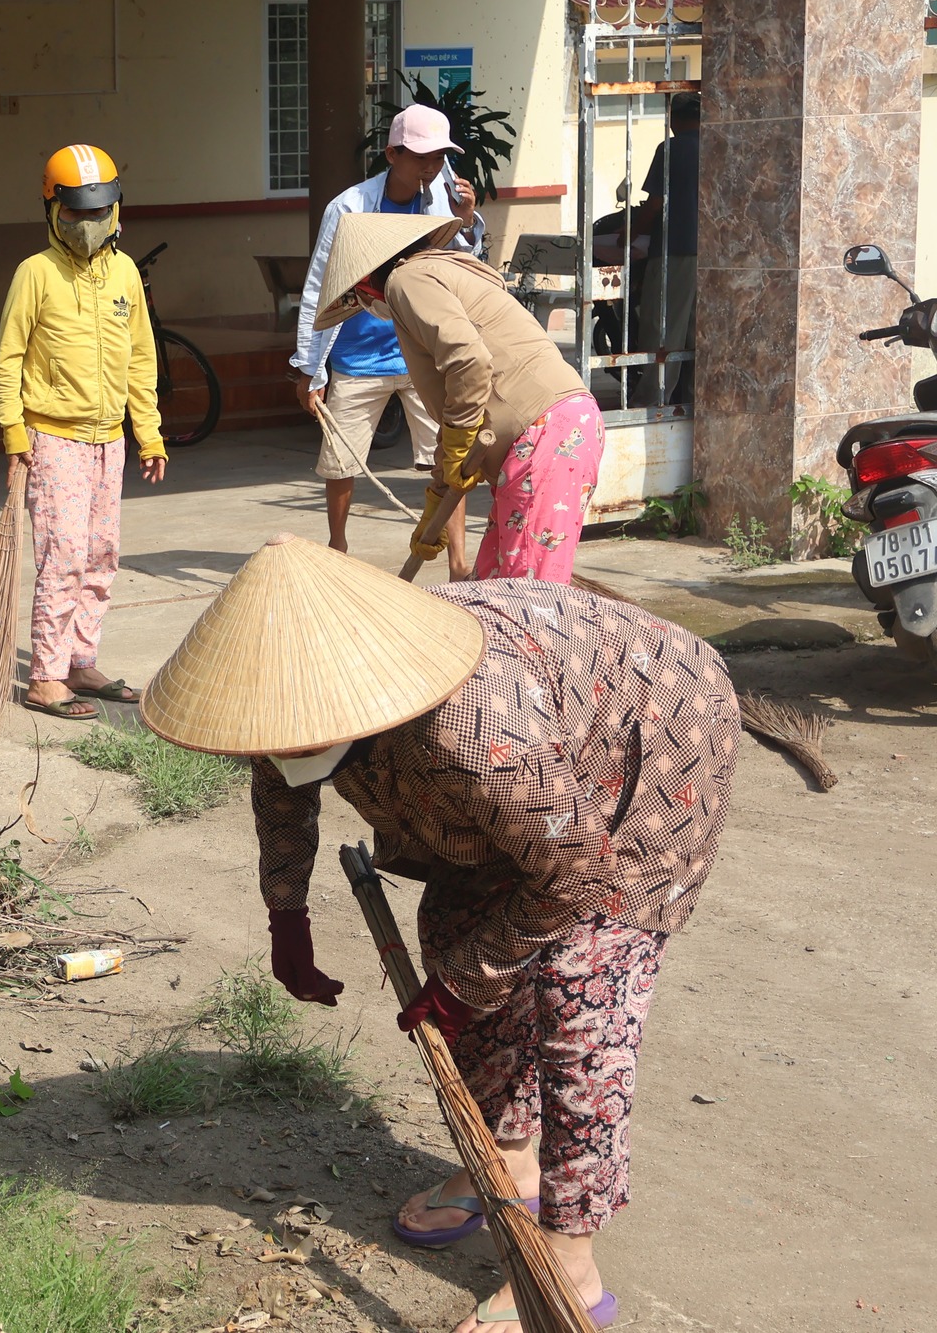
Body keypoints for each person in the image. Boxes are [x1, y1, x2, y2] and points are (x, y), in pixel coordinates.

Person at [139, 532, 738, 1333]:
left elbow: (569, 875)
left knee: (580, 992)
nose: (279, 747)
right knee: (452, 923)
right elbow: (282, 793)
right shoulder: (284, 689)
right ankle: (508, 1161)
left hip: (650, 742)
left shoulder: (474, 729)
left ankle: (571, 1260)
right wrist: (289, 912)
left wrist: (465, 983)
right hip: (531, 779)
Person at [314, 212, 605, 583]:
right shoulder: (439, 273)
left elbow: (469, 362)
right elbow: (458, 400)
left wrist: (455, 445)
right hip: (551, 430)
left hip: (546, 432)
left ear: (366, 282)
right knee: (492, 584)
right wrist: (436, 499)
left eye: (357, 297)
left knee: (528, 599)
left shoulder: (406, 281)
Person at [0, 143, 167, 722]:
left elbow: (141, 359)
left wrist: (150, 433)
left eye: (99, 213)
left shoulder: (125, 273)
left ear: (116, 209)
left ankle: (80, 660)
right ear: (51, 210)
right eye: (76, 214)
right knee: (62, 557)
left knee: (101, 554)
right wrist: (15, 434)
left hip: (109, 440)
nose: (89, 224)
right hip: (54, 438)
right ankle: (45, 676)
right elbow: (8, 359)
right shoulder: (34, 273)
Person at [294, 104, 486, 572]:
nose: (430, 166)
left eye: (439, 156)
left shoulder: (447, 199)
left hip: (422, 353)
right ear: (391, 154)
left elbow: (463, 268)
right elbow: (320, 283)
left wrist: (467, 220)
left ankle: (459, 561)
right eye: (420, 156)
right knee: (341, 462)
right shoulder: (349, 206)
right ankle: (338, 549)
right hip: (358, 356)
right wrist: (308, 367)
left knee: (449, 459)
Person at [630, 93, 699, 407]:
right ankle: (695, 402)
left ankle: (652, 402)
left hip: (674, 252)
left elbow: (655, 203)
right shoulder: (721, 146)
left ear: (675, 119)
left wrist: (629, 232)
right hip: (713, 256)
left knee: (665, 330)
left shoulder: (671, 149)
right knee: (696, 331)